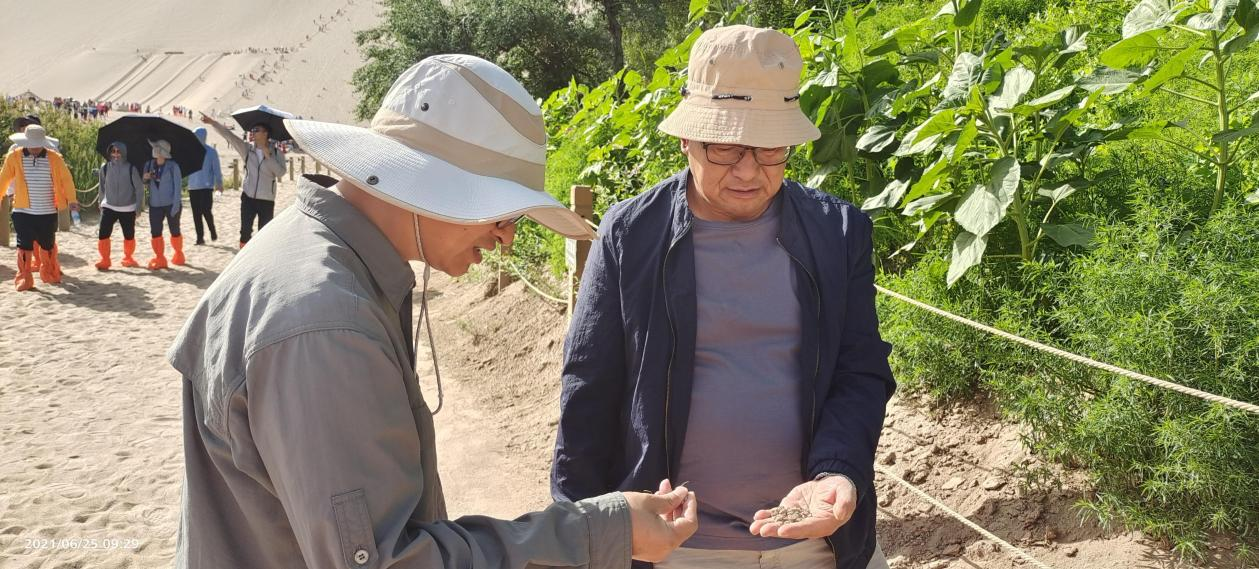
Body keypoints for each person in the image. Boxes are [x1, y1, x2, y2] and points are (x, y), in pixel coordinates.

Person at [167, 54, 699, 569]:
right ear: (432, 186)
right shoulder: (326, 324)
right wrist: (603, 531)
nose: (507, 237)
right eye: (501, 211)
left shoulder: (319, 260)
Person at [551, 26, 896, 569]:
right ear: (686, 139)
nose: (748, 170)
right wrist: (579, 535)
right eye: (726, 145)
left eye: (769, 148)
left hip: (816, 543)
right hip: (674, 550)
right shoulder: (631, 235)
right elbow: (588, 389)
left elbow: (860, 372)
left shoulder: (840, 233)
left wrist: (838, 473)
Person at [0, 125, 78, 291]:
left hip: (47, 211)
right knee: (24, 245)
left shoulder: (55, 158)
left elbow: (67, 179)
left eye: (37, 143)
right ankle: (24, 278)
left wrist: (71, 199)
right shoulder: (14, 156)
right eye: (31, 143)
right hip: (22, 211)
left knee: (47, 244)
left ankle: (50, 272)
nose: (34, 147)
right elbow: (4, 178)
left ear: (43, 142)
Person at [200, 112, 286, 248]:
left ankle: (261, 260)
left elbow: (280, 173)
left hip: (267, 200)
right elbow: (230, 136)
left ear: (265, 133)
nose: (253, 133)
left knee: (264, 233)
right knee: (245, 232)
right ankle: (243, 261)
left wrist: (268, 155)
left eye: (256, 130)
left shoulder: (276, 153)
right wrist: (213, 123)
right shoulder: (247, 149)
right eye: (253, 130)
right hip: (248, 197)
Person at [94, 142, 144, 270]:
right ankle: (105, 259)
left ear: (123, 152)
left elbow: (139, 189)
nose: (116, 154)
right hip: (109, 206)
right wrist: (100, 202)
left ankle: (128, 258)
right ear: (110, 153)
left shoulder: (131, 168)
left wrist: (138, 207)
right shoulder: (104, 168)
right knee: (103, 233)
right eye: (113, 151)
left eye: (118, 151)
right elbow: (102, 186)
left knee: (129, 235)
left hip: (128, 207)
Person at [143, 139, 184, 269]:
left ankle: (178, 254)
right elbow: (144, 182)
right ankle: (160, 258)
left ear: (164, 152)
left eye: (157, 148)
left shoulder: (173, 166)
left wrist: (176, 205)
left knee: (175, 230)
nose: (155, 151)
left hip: (171, 204)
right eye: (154, 148)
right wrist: (145, 177)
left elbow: (178, 187)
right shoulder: (149, 164)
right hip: (155, 204)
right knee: (155, 232)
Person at [185, 127, 223, 244]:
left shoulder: (211, 152)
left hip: (207, 187)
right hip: (193, 187)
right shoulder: (190, 151)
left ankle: (212, 230)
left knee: (206, 210)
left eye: (196, 135)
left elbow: (216, 169)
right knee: (196, 213)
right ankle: (200, 237)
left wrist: (219, 183)